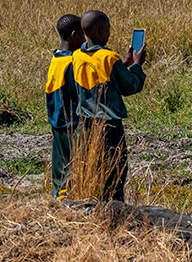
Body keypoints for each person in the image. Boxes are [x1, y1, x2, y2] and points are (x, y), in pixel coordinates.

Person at [73, 10, 147, 201]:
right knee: (114, 173)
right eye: (107, 29)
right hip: (108, 128)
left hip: (84, 125)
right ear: (101, 31)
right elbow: (130, 85)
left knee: (89, 170)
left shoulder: (77, 56)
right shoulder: (109, 58)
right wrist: (136, 65)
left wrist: (124, 64)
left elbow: (102, 76)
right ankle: (114, 211)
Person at [46, 14, 86, 200]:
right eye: (84, 35)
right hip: (71, 123)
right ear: (74, 35)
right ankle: (68, 205)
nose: (85, 40)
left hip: (57, 122)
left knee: (60, 171)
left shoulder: (56, 58)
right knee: (72, 170)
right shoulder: (73, 61)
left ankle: (57, 201)